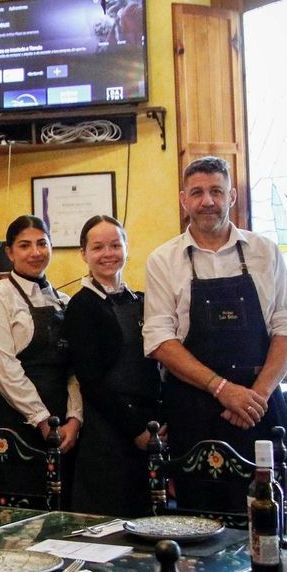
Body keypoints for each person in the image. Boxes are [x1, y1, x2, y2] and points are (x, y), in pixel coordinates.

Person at [142, 155, 287, 519]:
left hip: (259, 408)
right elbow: (159, 340)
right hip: (196, 409)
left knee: (276, 519)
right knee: (202, 523)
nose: (208, 201)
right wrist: (222, 389)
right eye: (198, 192)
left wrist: (258, 394)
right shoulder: (162, 259)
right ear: (183, 199)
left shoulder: (265, 251)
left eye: (216, 191)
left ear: (232, 196)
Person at [65, 215, 164, 516]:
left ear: (126, 248)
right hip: (108, 430)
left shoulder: (142, 300)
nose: (108, 254)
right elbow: (91, 381)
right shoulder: (81, 307)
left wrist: (157, 422)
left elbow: (156, 367)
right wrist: (136, 430)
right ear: (84, 254)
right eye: (97, 247)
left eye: (114, 245)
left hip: (148, 426)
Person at [0, 215, 83, 467]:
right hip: (17, 421)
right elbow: (4, 368)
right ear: (10, 252)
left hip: (63, 422)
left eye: (42, 243)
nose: (35, 252)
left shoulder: (64, 301)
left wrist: (74, 419)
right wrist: (41, 419)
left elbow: (75, 369)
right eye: (25, 245)